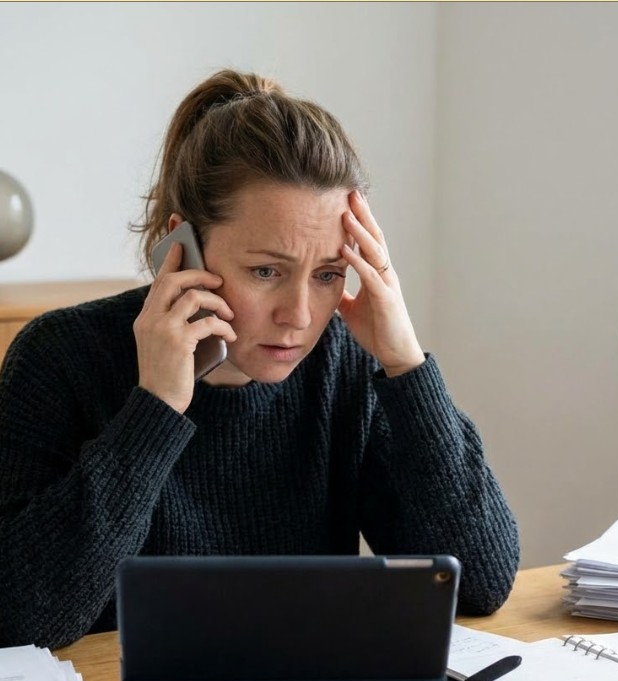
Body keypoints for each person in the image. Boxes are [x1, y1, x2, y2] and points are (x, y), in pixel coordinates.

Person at [0, 69, 519, 650]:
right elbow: (22, 624)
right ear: (182, 249)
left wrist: (405, 366)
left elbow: (481, 584)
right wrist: (156, 409)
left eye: (327, 275)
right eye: (266, 271)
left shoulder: (343, 365)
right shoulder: (60, 357)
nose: (299, 315)